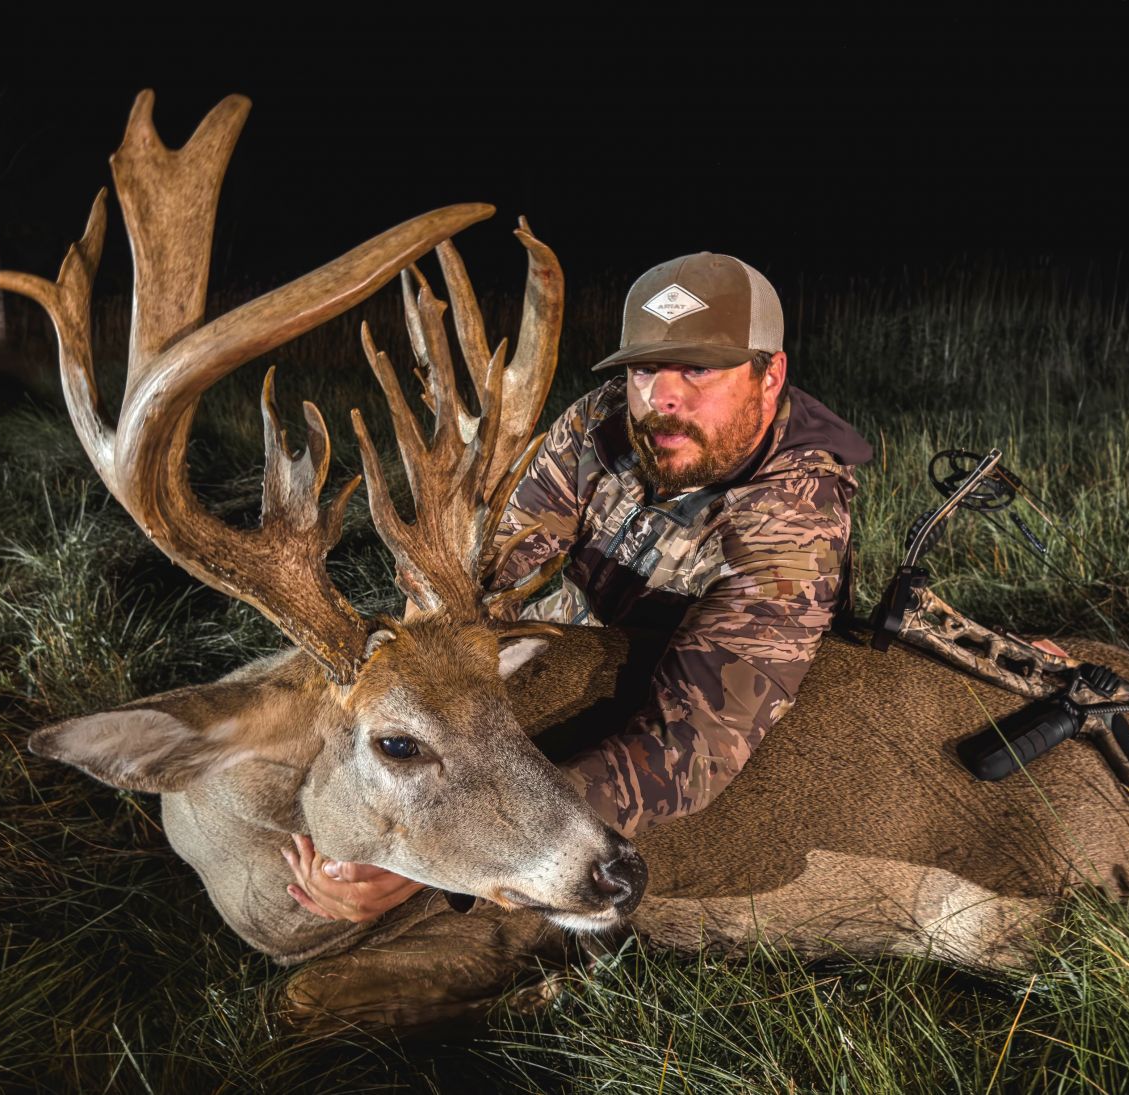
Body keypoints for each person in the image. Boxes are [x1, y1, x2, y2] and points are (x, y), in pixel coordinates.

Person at [283, 252, 873, 923]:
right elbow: (488, 575)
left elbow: (699, 740)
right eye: (646, 369)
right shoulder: (600, 423)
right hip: (576, 635)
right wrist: (410, 699)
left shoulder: (794, 517)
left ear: (771, 375)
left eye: (700, 368)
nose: (663, 396)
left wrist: (448, 846)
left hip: (689, 694)